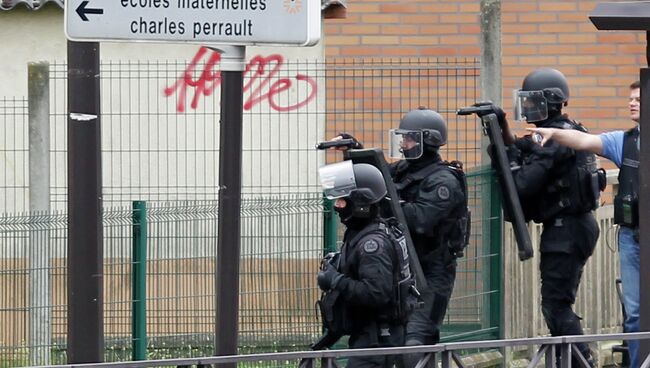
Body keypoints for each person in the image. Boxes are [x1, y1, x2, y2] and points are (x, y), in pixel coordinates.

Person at [477, 68, 602, 366]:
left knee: (556, 306)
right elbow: (518, 147)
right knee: (557, 305)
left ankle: (583, 361)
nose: (529, 108)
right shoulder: (558, 132)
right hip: (568, 228)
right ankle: (570, 360)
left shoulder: (556, 139)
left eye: (533, 102)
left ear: (550, 102)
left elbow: (522, 183)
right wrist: (501, 124)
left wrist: (509, 157)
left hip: (568, 229)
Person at [333, 107, 469, 366]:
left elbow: (419, 220)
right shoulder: (405, 169)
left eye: (409, 139)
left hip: (431, 271)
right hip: (404, 270)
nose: (403, 144)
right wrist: (357, 152)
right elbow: (380, 177)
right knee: (397, 338)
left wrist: (384, 199)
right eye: (403, 138)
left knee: (416, 341)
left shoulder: (444, 182)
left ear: (426, 141)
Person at [527, 80, 641, 368]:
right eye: (630, 98)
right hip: (631, 235)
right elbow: (586, 141)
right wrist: (554, 132)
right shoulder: (624, 141)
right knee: (636, 312)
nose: (632, 103)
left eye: (639, 98)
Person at [316, 161, 405, 368]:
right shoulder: (360, 234)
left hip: (378, 340)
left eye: (342, 199)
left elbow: (376, 293)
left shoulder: (372, 245)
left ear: (360, 201)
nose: (337, 205)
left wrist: (336, 280)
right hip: (368, 336)